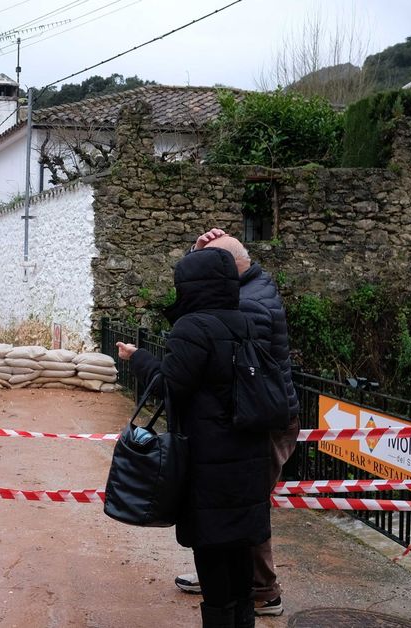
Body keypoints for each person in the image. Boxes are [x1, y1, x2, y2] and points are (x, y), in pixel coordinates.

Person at [117, 248, 271, 628]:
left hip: (208, 468)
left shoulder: (194, 327)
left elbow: (170, 386)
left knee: (214, 566)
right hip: (247, 461)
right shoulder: (245, 322)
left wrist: (137, 358)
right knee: (239, 564)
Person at [171, 229, 300, 618]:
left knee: (242, 509)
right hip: (247, 417)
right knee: (238, 510)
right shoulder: (246, 290)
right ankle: (233, 582)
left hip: (257, 420)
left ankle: (262, 588)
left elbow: (211, 356)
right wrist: (196, 254)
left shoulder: (250, 306)